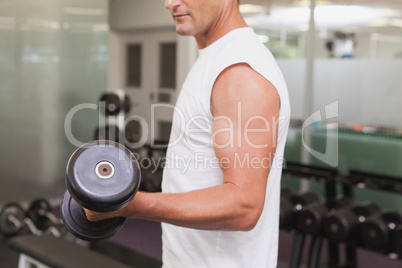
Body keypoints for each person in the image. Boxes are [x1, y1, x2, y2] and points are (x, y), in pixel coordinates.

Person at [86, 0, 290, 267]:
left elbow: (244, 206)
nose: (169, 3)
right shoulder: (215, 57)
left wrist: (126, 205)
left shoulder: (239, 72)